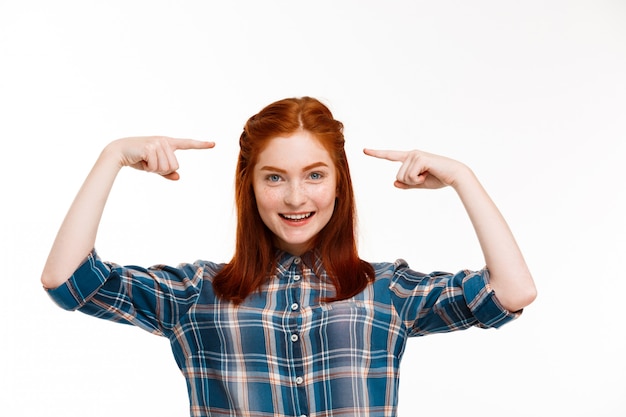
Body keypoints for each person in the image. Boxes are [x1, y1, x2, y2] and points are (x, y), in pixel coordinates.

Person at [41, 96, 537, 417]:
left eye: (315, 175)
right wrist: (112, 157)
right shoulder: (198, 294)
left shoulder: (386, 291)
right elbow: (68, 282)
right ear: (250, 186)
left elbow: (512, 293)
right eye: (275, 177)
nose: (296, 197)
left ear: (339, 183)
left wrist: (462, 179)